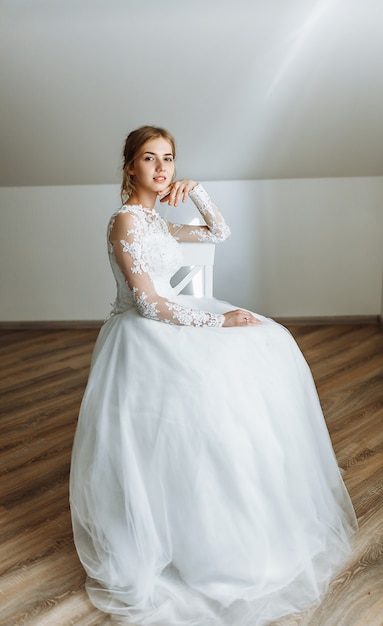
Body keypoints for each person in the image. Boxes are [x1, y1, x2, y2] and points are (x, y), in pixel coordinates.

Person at [70, 125, 357, 626]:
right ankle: (182, 530)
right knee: (212, 384)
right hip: (144, 333)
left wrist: (199, 193)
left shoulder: (157, 222)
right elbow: (147, 302)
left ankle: (240, 515)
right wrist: (218, 321)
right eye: (149, 158)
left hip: (174, 315)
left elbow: (218, 233)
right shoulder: (126, 222)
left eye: (170, 159)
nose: (162, 168)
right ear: (129, 167)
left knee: (264, 342)